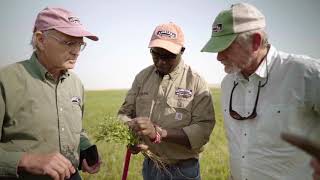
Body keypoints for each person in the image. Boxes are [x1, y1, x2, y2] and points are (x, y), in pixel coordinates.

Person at [201, 2, 320, 180]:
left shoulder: (307, 74)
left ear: (255, 42)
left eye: (226, 47)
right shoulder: (228, 84)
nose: (219, 56)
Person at [0, 7, 101, 180]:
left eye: (80, 44)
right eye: (69, 43)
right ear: (40, 40)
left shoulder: (75, 84)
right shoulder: (6, 81)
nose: (76, 51)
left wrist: (84, 146)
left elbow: (76, 129)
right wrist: (27, 160)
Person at [118, 22, 215, 180]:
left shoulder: (196, 82)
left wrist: (159, 133)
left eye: (169, 56)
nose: (161, 61)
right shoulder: (142, 78)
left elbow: (203, 130)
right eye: (156, 54)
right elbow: (124, 114)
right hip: (151, 166)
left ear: (181, 51)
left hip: (183, 170)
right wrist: (133, 134)